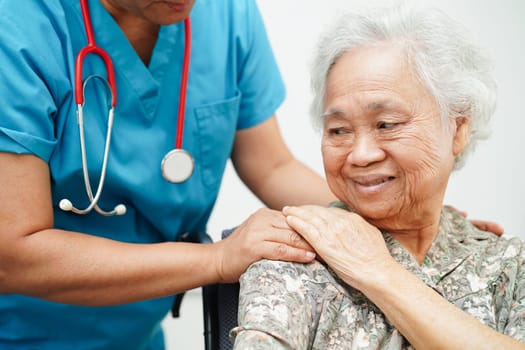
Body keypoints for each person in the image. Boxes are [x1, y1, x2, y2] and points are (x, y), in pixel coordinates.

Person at [231, 3, 525, 349]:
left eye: (386, 125)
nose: (361, 154)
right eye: (339, 130)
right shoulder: (292, 260)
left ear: (458, 129)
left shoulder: (506, 263)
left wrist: (380, 271)